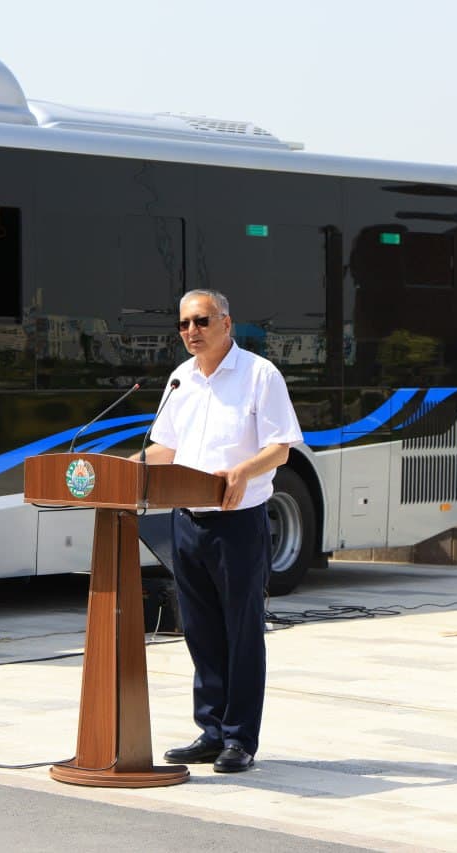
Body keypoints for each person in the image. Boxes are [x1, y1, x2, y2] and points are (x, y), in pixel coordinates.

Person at [133, 289, 302, 773]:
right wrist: (124, 470)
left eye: (201, 321)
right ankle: (210, 730)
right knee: (200, 631)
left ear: (226, 322)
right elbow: (165, 448)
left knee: (241, 632)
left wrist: (243, 471)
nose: (191, 331)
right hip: (186, 521)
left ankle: (240, 739)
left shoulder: (258, 374)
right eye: (184, 323)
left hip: (238, 523)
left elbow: (281, 447)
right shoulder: (180, 380)